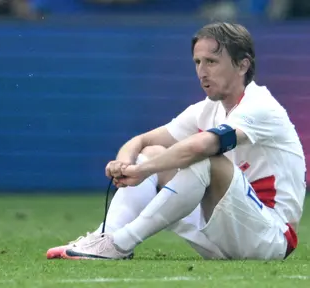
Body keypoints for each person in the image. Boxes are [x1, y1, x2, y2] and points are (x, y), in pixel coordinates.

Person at [46, 22, 306, 260]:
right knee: (152, 151)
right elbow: (140, 141)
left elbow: (202, 147)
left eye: (212, 62)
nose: (202, 72)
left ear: (242, 65)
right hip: (227, 231)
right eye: (197, 62)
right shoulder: (206, 109)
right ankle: (105, 237)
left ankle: (120, 243)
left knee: (204, 160)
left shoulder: (260, 105)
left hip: (271, 238)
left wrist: (142, 171)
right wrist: (124, 163)